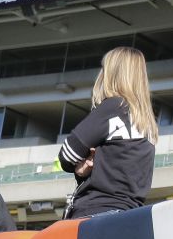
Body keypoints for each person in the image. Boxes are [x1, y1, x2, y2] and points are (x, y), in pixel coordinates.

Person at [57, 47, 158, 219]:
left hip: (95, 213)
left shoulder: (113, 107)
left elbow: (67, 154)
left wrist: (79, 166)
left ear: (112, 73)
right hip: (130, 215)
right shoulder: (147, 122)